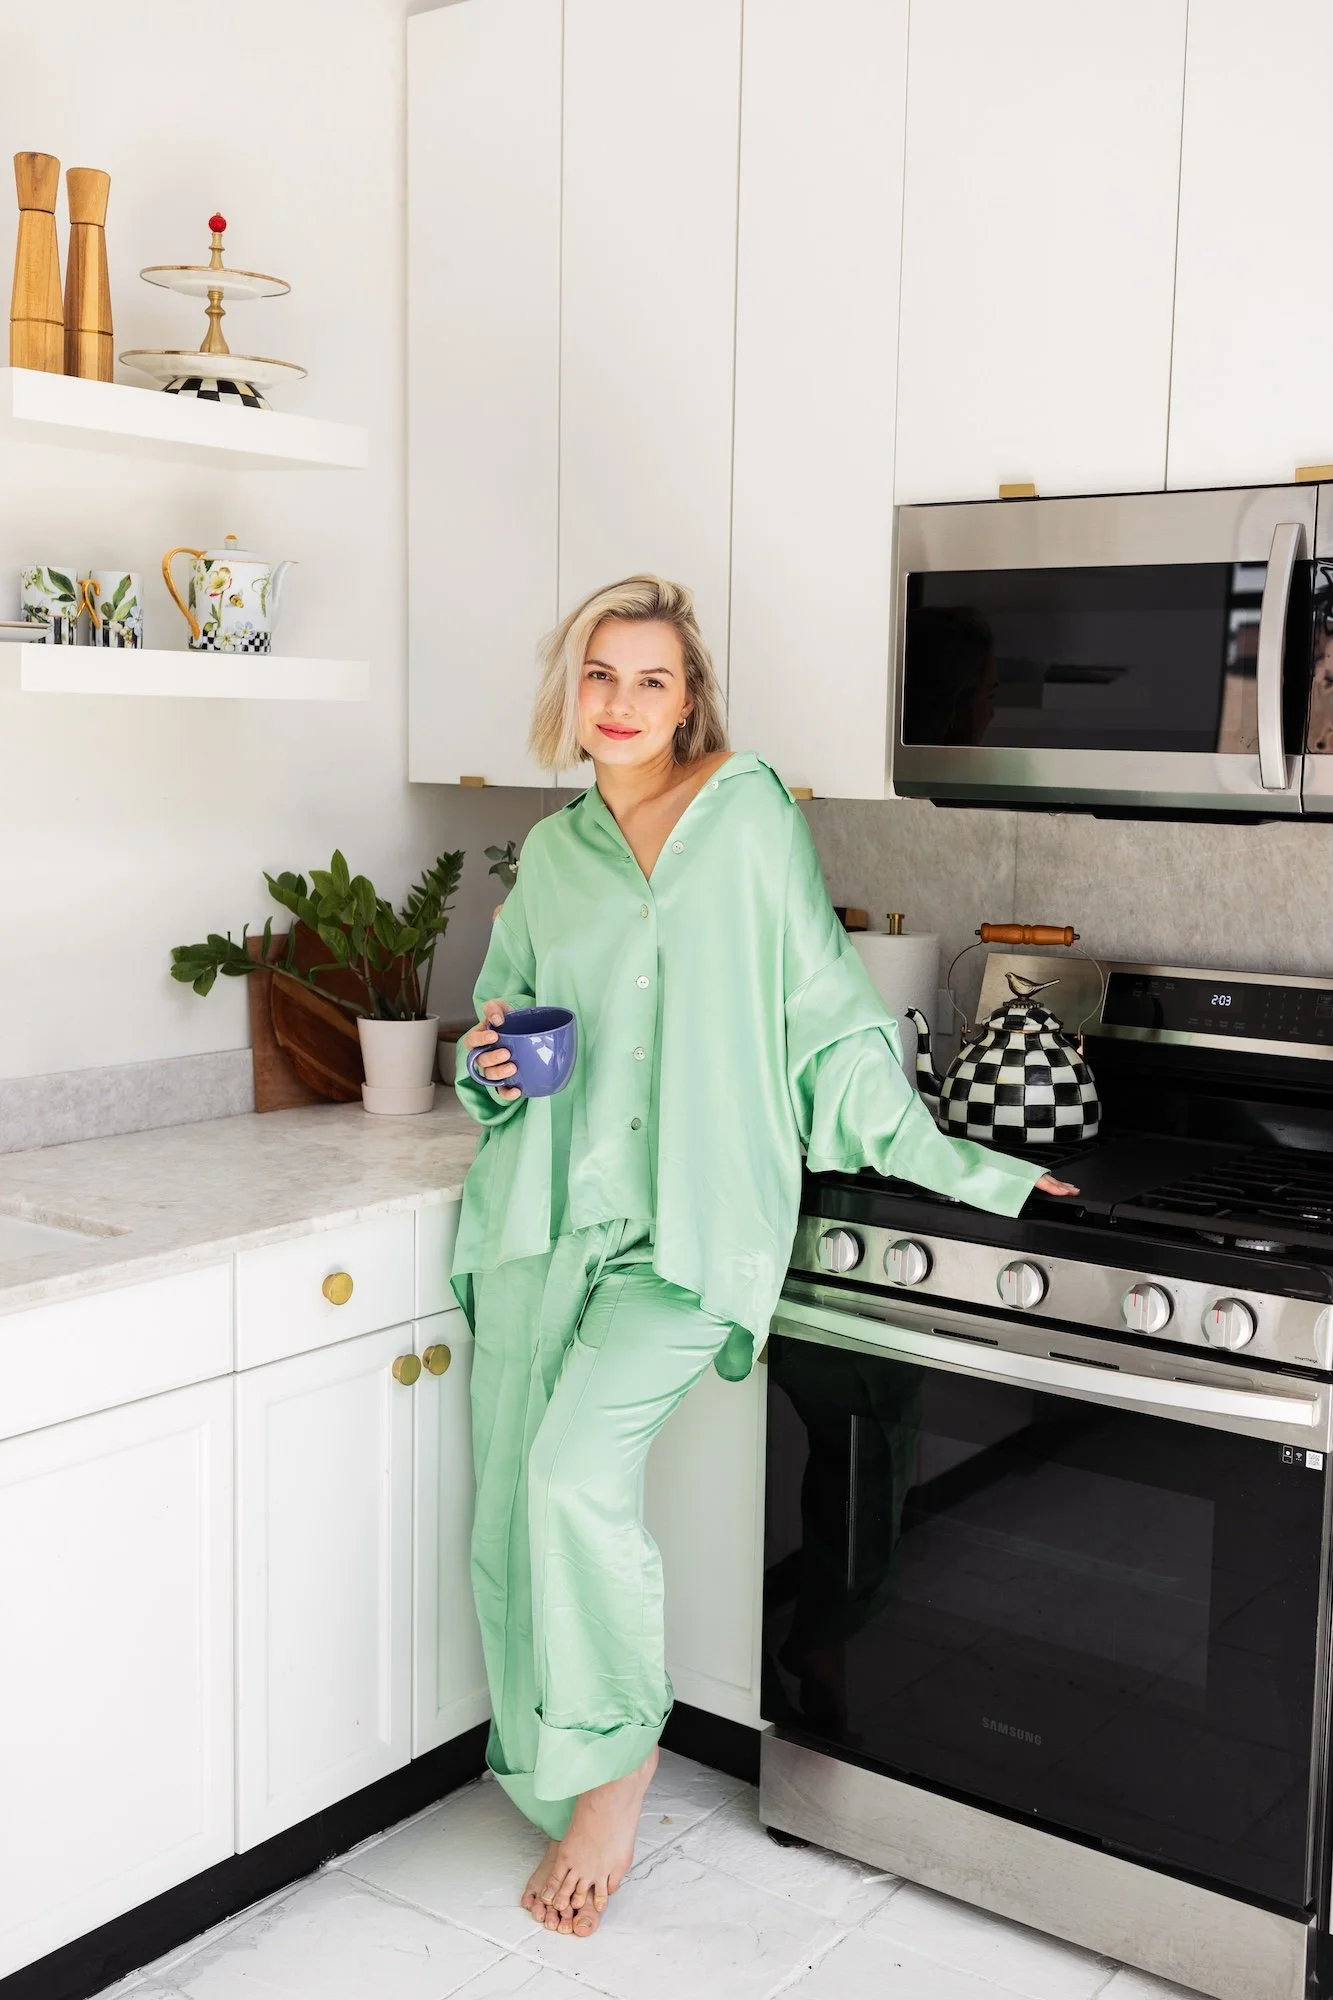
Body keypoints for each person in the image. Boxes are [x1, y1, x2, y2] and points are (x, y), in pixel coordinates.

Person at [451, 574, 1078, 1940]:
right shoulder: (552, 855)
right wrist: (489, 1064)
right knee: (515, 1493)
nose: (621, 704)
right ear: (572, 693)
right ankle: (562, 1745)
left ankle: (618, 1767)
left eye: (652, 681)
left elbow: (827, 1018)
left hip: (688, 1237)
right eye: (600, 677)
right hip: (557, 1219)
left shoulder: (746, 819)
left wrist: (975, 1167)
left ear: (693, 702)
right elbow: (496, 1036)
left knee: (567, 1481)